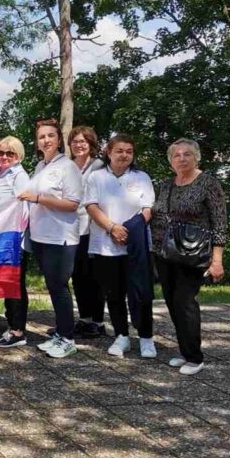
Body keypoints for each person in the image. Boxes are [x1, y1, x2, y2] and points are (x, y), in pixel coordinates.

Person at [151, 138, 227, 376]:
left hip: (193, 254)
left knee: (185, 302)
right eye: (177, 155)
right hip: (165, 252)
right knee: (172, 302)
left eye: (187, 154)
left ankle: (195, 357)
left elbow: (220, 223)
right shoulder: (165, 185)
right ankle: (185, 351)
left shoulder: (208, 183)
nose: (182, 159)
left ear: (197, 157)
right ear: (171, 161)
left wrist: (217, 260)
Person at [84, 134, 157, 359]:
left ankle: (146, 338)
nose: (124, 155)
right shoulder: (96, 177)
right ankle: (122, 336)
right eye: (119, 150)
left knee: (142, 293)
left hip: (136, 246)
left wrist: (130, 230)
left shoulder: (142, 177)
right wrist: (112, 228)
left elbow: (148, 209)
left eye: (129, 151)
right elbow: (91, 206)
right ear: (109, 152)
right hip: (105, 246)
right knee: (114, 294)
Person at [17, 120, 84, 359]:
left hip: (61, 237)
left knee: (59, 287)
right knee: (52, 287)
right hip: (41, 237)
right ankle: (60, 333)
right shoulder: (40, 166)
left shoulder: (68, 167)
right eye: (41, 137)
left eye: (50, 136)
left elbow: (72, 204)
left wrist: (38, 199)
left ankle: (67, 338)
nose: (46, 140)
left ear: (59, 140)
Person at [0, 137, 33, 349]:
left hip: (13, 240)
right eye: (1, 152)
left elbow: (22, 209)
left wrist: (13, 236)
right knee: (6, 285)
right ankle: (11, 326)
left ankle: (18, 331)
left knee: (15, 285)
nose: (4, 156)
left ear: (19, 155)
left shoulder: (19, 176)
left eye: (10, 153)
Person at [67, 126, 107, 338]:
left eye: (83, 141)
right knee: (78, 275)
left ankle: (98, 322)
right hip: (71, 228)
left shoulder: (99, 166)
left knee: (95, 276)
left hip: (94, 228)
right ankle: (84, 318)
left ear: (91, 144)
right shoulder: (68, 166)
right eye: (75, 141)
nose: (79, 145)